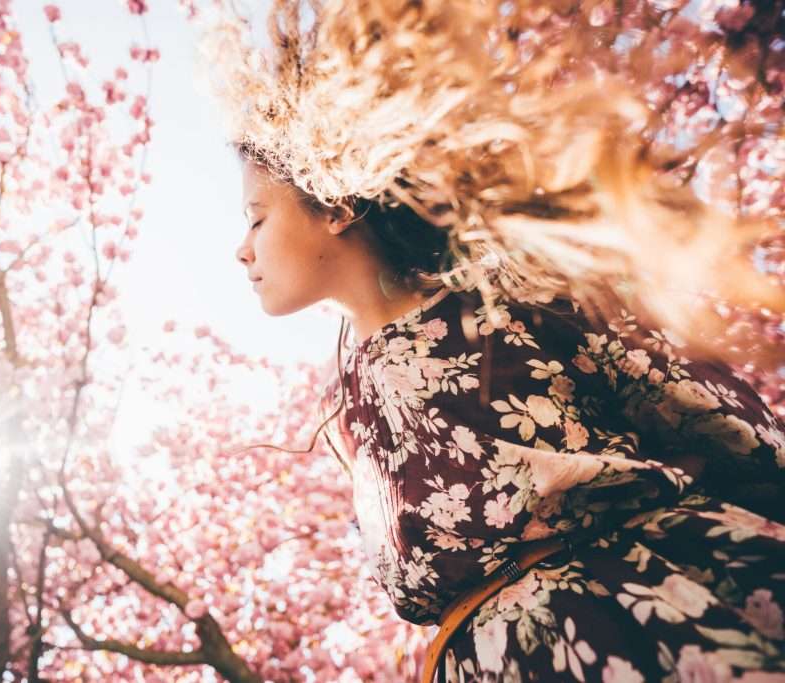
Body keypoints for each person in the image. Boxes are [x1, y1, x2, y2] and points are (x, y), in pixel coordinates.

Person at [234, 148, 785, 681]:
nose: (242, 250)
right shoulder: (344, 408)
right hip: (485, 659)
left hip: (634, 611)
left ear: (336, 207)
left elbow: (712, 413)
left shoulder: (509, 299)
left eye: (256, 220)